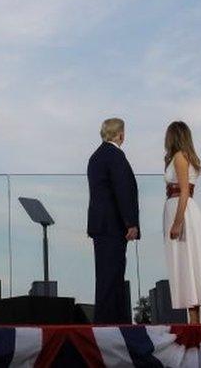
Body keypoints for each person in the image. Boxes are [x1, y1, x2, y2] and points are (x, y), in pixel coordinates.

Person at [163, 120, 201, 323]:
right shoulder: (177, 157)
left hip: (183, 211)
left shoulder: (180, 157)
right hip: (178, 208)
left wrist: (177, 222)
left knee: (192, 260)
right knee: (186, 263)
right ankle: (193, 316)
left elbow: (185, 191)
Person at [87, 117, 140, 324]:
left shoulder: (95, 157)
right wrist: (131, 222)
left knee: (105, 278)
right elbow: (123, 190)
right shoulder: (115, 156)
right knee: (113, 278)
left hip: (100, 225)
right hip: (114, 226)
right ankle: (112, 326)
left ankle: (106, 323)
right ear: (120, 134)